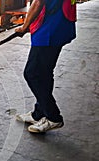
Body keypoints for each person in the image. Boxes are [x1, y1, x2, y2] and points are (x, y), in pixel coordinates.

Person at [15, 0, 76, 133]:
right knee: (45, 73)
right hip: (60, 26)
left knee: (32, 73)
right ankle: (39, 113)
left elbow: (38, 3)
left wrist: (25, 26)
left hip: (48, 30)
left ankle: (53, 116)